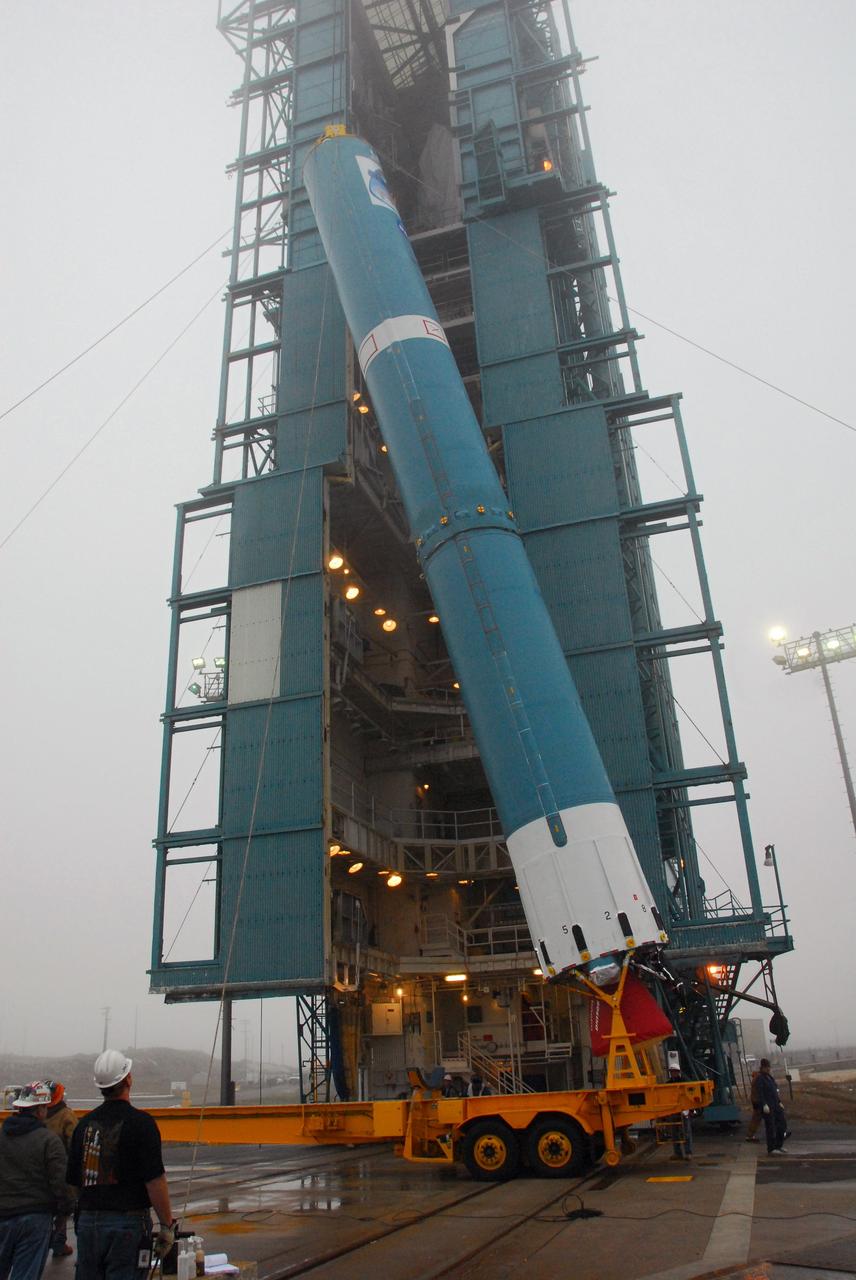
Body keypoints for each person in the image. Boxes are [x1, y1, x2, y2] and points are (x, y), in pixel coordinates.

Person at [67, 1050, 175, 1278]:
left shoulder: (84, 1125)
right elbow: (155, 1181)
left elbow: (75, 1182)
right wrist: (166, 1225)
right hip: (127, 1225)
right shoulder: (141, 1124)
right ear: (128, 1079)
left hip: (88, 1222)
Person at [0, 1080, 73, 1279]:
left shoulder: (2, 1137)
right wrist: (65, 1209)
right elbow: (60, 1182)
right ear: (41, 1109)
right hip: (35, 1218)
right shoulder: (49, 1141)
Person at [44, 1079, 78, 1258]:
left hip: (40, 1175)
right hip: (62, 1172)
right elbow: (75, 1145)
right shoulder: (66, 1116)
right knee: (64, 1207)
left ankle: (52, 1241)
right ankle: (58, 1242)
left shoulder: (38, 1115)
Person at [756, 1058, 787, 1155]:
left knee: (782, 1124)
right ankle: (771, 1148)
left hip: (775, 1104)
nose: (768, 1069)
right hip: (768, 1107)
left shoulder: (770, 1077)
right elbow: (760, 1093)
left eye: (769, 1067)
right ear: (762, 1068)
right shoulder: (760, 1079)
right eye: (767, 1067)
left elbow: (774, 1090)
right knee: (771, 1127)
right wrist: (764, 1104)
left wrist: (779, 1101)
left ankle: (779, 1145)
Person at [666, 1056, 693, 1161]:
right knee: (674, 1133)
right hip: (673, 1110)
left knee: (686, 1132)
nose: (673, 1073)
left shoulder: (685, 1082)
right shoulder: (668, 1084)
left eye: (675, 1071)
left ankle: (688, 1153)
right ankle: (677, 1153)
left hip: (684, 1110)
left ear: (678, 1072)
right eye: (672, 1072)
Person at [745, 1068, 762, 1142]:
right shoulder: (758, 1079)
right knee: (756, 1119)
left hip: (757, 1102)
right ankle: (750, 1136)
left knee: (755, 1120)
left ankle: (750, 1135)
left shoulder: (755, 1079)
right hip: (759, 1103)